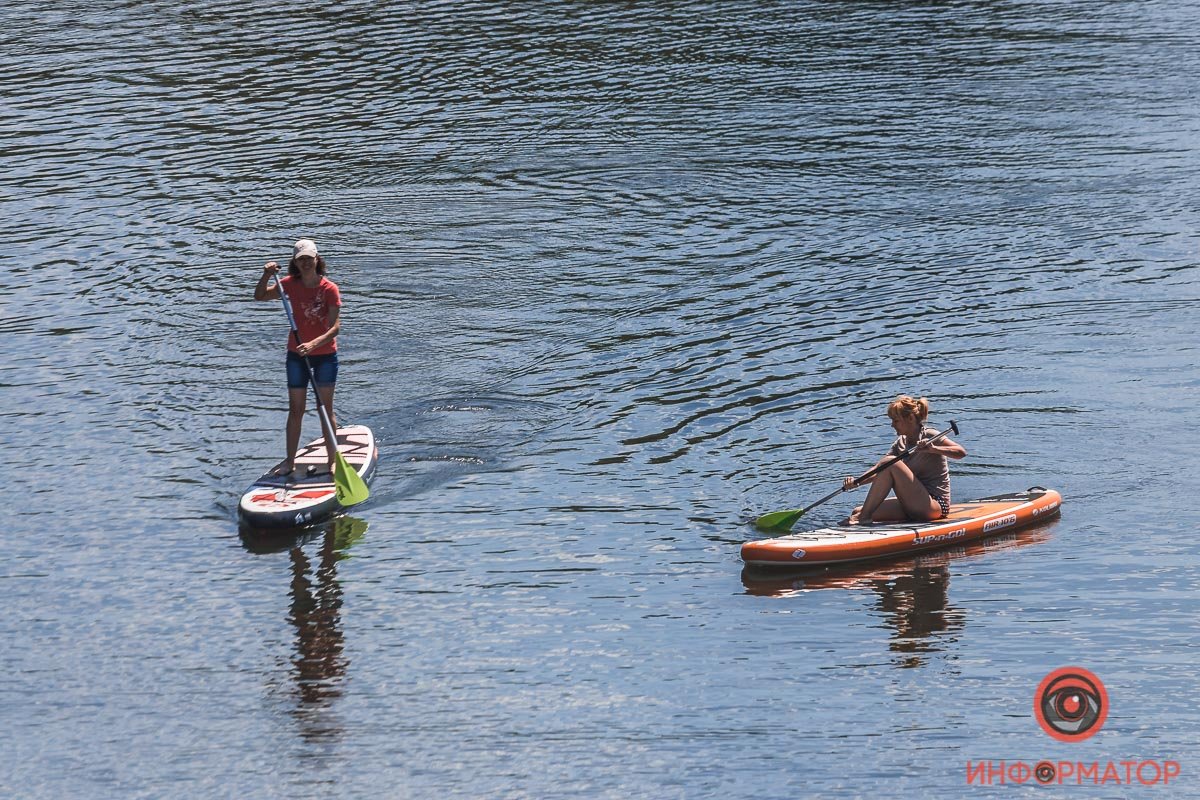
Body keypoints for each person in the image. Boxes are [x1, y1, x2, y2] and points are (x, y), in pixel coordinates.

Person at [254, 238, 342, 476]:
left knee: (325, 409)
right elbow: (260, 296)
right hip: (297, 356)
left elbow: (335, 328)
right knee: (296, 409)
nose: (305, 263)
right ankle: (290, 461)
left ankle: (333, 460)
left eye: (308, 258)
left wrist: (312, 344)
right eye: (300, 259)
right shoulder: (288, 285)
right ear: (295, 262)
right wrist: (266, 275)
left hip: (325, 355)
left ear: (317, 259)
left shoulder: (330, 289)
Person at [845, 395, 966, 525]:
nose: (892, 425)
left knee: (890, 463)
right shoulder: (900, 443)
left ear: (910, 418)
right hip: (913, 502)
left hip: (934, 505)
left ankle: (864, 518)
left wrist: (933, 449)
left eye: (896, 421)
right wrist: (857, 482)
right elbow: (879, 469)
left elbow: (961, 452)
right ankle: (863, 516)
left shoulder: (930, 435)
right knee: (857, 511)